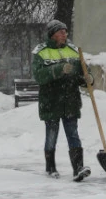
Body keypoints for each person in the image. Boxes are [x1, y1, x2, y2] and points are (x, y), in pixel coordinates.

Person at [32, 20, 91, 181]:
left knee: (73, 134)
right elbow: (38, 76)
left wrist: (87, 78)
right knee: (52, 135)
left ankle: (78, 168)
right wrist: (58, 69)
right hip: (51, 101)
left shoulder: (73, 50)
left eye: (65, 31)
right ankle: (50, 167)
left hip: (70, 100)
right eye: (61, 32)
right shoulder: (41, 52)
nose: (64, 34)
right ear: (52, 34)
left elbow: (83, 71)